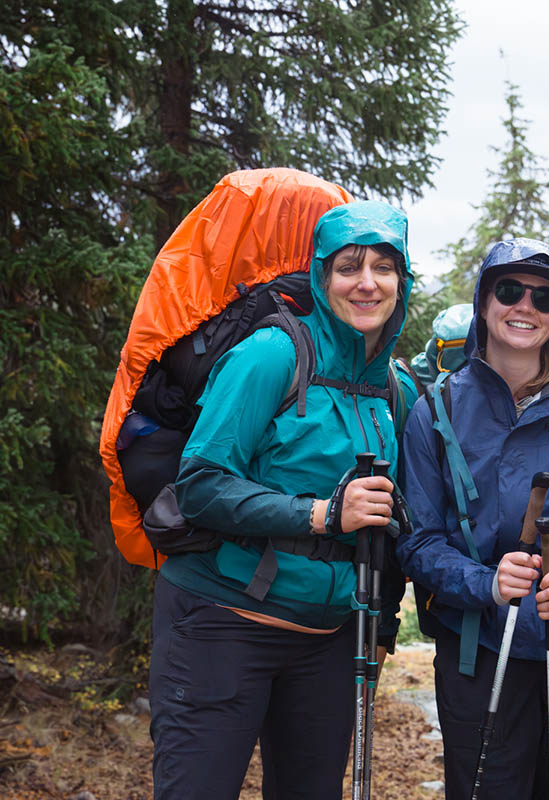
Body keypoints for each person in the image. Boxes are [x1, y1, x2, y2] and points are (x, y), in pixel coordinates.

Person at [148, 200, 415, 799]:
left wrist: (379, 627)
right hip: (220, 624)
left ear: (403, 280)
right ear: (323, 278)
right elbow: (200, 484)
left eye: (383, 267)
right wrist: (322, 514)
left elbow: (396, 529)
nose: (366, 283)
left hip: (328, 641)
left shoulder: (393, 389)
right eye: (349, 266)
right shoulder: (271, 354)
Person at [398, 239, 549, 800]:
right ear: (485, 303)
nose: (525, 306)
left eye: (544, 296)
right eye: (509, 291)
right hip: (478, 647)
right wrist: (484, 582)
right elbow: (419, 541)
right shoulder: (435, 411)